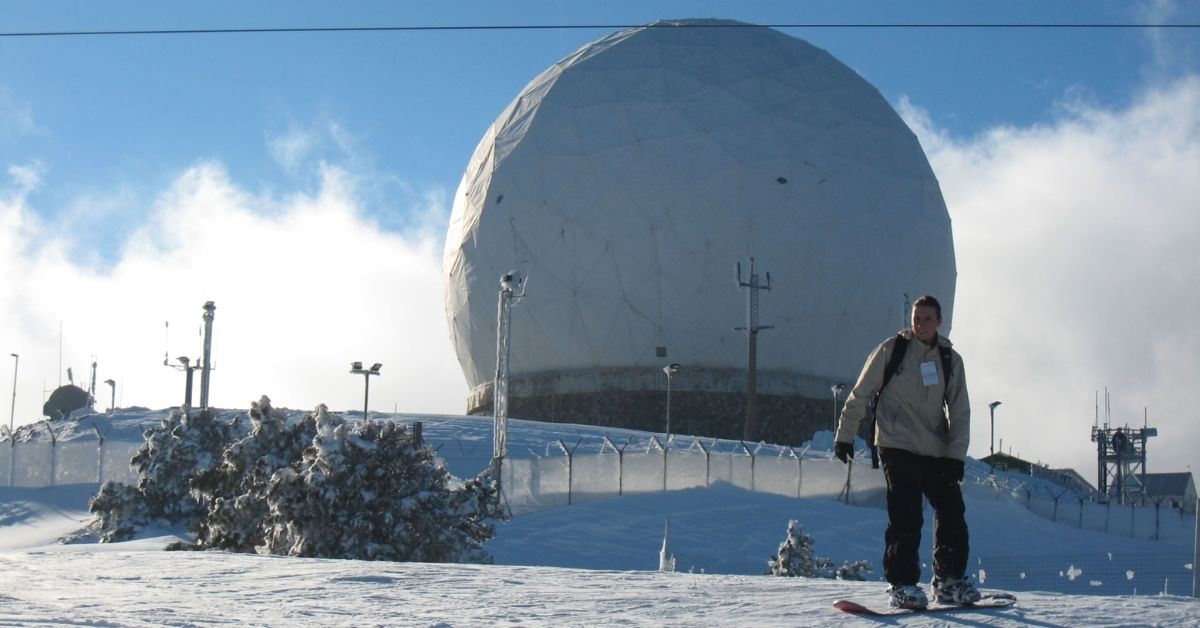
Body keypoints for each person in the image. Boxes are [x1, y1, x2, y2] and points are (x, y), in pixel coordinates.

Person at [833, 294, 979, 609]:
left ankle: (949, 580)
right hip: (895, 444)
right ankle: (902, 584)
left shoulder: (949, 360)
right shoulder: (892, 350)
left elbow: (960, 411)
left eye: (927, 318)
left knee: (952, 512)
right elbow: (860, 393)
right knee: (906, 515)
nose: (920, 324)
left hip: (935, 449)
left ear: (939, 322)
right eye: (916, 318)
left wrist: (955, 456)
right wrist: (845, 435)